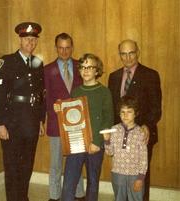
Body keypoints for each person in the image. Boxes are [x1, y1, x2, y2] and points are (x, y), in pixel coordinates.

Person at [0, 22, 45, 201]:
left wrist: (40, 121)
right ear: (20, 40)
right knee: (12, 166)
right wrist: (0, 123)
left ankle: (23, 197)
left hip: (31, 122)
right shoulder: (5, 62)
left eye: (33, 39)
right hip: (12, 123)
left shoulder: (38, 63)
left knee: (27, 164)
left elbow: (41, 94)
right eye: (26, 39)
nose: (30, 42)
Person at [108, 39, 162, 201]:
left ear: (138, 52)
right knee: (122, 177)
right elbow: (113, 108)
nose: (128, 57)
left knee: (140, 177)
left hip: (141, 134)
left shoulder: (150, 75)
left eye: (131, 53)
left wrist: (147, 125)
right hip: (120, 136)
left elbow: (156, 107)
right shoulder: (114, 76)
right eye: (123, 54)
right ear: (120, 55)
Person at [61, 53, 114, 201]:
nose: (85, 70)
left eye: (90, 67)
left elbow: (108, 118)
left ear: (97, 71)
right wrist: (61, 110)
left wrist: (97, 142)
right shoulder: (76, 91)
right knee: (69, 181)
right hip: (77, 143)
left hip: (95, 144)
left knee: (93, 182)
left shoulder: (104, 92)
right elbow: (71, 118)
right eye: (83, 67)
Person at [44, 33, 85, 201]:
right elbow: (45, 98)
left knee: (76, 162)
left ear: (72, 47)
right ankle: (54, 196)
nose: (64, 51)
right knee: (56, 164)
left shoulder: (81, 66)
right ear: (56, 48)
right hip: (56, 124)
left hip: (77, 124)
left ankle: (79, 195)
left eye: (68, 47)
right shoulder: (47, 70)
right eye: (61, 48)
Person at [103, 96, 148, 201]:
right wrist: (107, 140)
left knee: (136, 198)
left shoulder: (141, 132)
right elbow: (109, 152)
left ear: (136, 113)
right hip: (118, 173)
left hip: (135, 175)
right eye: (122, 112)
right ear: (119, 113)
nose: (125, 115)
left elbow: (143, 158)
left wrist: (140, 178)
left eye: (129, 112)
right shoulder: (114, 129)